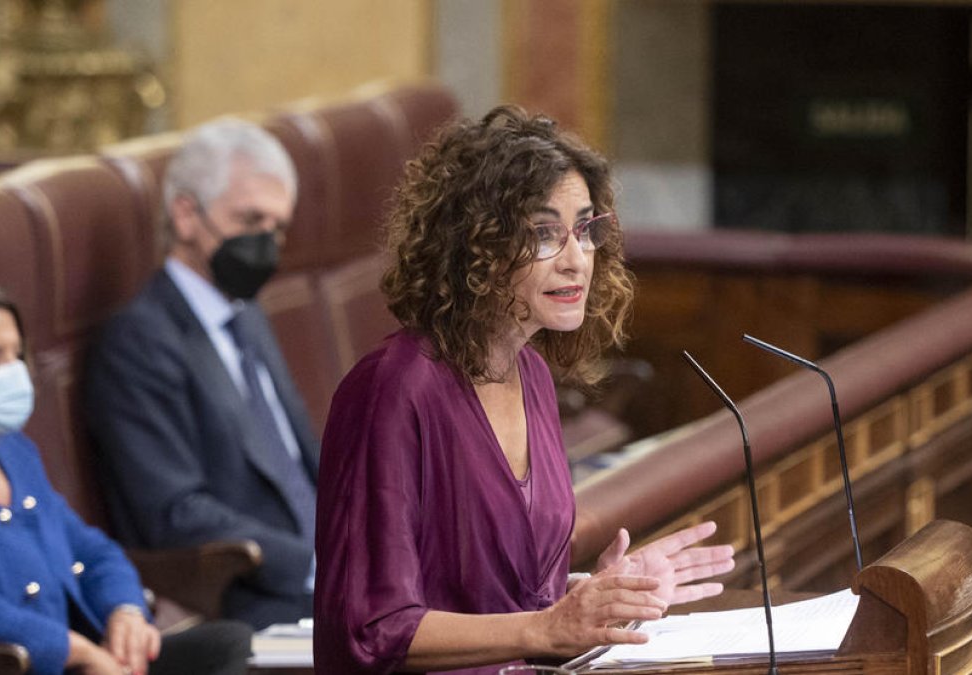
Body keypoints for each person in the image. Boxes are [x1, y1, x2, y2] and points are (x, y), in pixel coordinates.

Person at [314, 105, 737, 674]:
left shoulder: (531, 373)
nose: (576, 260)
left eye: (585, 229)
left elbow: (491, 593)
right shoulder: (394, 388)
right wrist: (549, 626)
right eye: (543, 234)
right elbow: (374, 629)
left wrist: (601, 594)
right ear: (476, 248)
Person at [85, 119, 319, 629]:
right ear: (187, 214)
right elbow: (175, 512)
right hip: (251, 597)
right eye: (251, 220)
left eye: (277, 228)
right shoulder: (139, 341)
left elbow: (298, 460)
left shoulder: (245, 312)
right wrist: (314, 567)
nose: (267, 245)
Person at [0, 278, 252, 675]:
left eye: (16, 355)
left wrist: (124, 613)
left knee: (227, 643)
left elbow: (93, 551)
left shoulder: (14, 450)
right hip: (28, 664)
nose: (12, 373)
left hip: (97, 657)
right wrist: (75, 651)